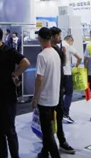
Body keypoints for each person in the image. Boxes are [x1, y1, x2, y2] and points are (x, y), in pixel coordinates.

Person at [0, 26, 31, 158]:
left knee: (10, 131)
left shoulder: (9, 51)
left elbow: (25, 63)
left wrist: (15, 74)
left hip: (8, 97)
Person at [33, 28, 62, 158]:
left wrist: (35, 98)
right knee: (48, 127)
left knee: (47, 131)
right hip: (54, 97)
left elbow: (39, 78)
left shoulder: (42, 55)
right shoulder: (55, 53)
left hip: (44, 98)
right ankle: (44, 153)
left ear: (41, 39)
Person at [48, 28, 76, 154]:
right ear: (52, 36)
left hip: (58, 87)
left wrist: (64, 54)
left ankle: (61, 141)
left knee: (58, 116)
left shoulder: (59, 48)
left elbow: (63, 64)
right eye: (58, 35)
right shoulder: (47, 51)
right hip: (50, 90)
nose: (60, 37)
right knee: (48, 119)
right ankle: (48, 146)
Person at [61, 35, 82, 124]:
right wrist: (76, 66)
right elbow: (79, 57)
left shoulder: (58, 45)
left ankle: (58, 113)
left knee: (59, 94)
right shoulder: (68, 46)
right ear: (70, 41)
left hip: (58, 73)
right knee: (69, 93)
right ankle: (65, 114)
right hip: (67, 73)